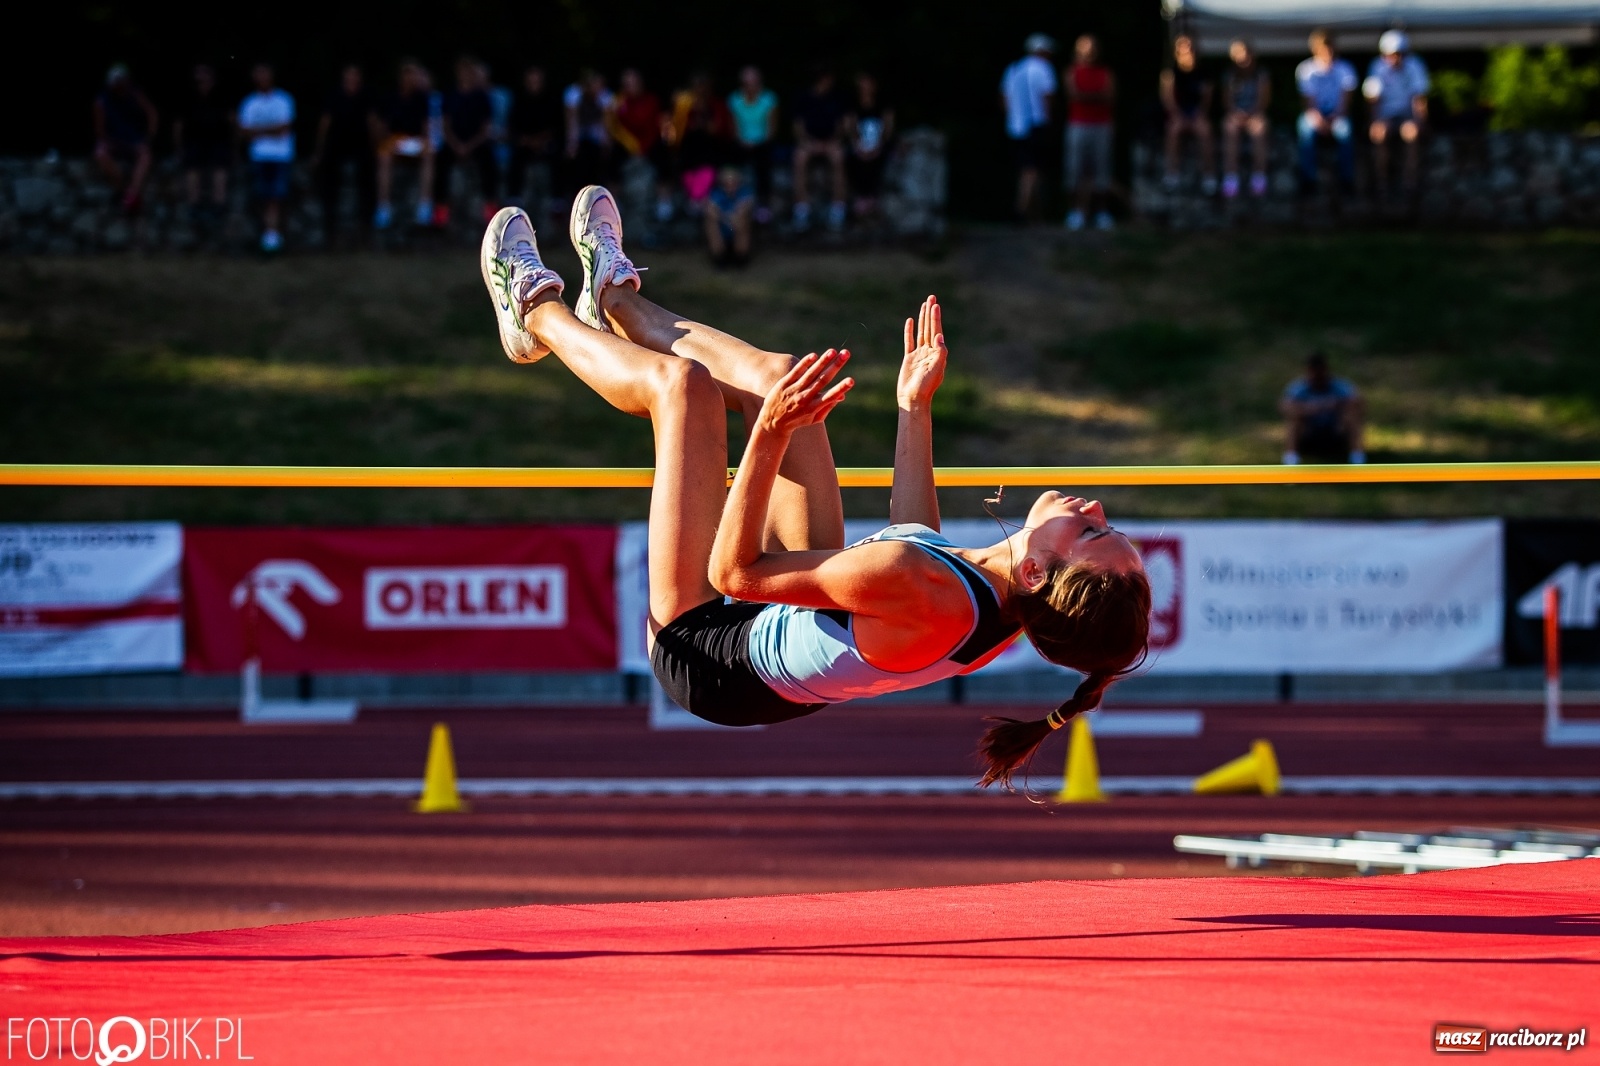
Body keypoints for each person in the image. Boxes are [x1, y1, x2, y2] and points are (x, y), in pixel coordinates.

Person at [477, 187, 1152, 788]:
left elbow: (737, 572)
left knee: (683, 393)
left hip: (706, 650)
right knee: (782, 377)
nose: (1093, 508)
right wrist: (914, 408)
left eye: (1092, 533)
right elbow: (917, 544)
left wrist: (767, 437)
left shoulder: (930, 589)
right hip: (782, 632)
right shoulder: (996, 600)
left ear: (1036, 570)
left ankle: (532, 310)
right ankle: (617, 299)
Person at [311, 64, 377, 245]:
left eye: (355, 76)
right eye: (349, 76)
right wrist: (319, 151)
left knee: (368, 180)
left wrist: (375, 147)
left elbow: (371, 122)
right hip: (337, 145)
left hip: (360, 146)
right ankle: (329, 229)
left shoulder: (365, 96)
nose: (352, 80)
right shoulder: (334, 96)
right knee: (329, 181)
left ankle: (366, 227)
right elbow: (325, 124)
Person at [1365, 30, 1430, 199]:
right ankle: (1382, 183)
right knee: (1380, 133)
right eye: (1392, 54)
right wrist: (1374, 122)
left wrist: (1421, 122)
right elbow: (1373, 100)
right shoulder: (1377, 68)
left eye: (1399, 54)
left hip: (1407, 116)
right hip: (1385, 117)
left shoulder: (1415, 66)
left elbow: (1419, 99)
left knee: (1412, 133)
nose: (1395, 59)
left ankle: (1410, 183)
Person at [238, 63, 296, 253]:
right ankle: (268, 236)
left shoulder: (283, 100)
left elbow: (283, 129)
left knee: (277, 197)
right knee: (262, 197)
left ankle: (273, 236)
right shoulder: (249, 103)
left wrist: (258, 131)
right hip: (258, 157)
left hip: (280, 156)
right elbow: (244, 132)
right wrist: (270, 130)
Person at [999, 34, 1057, 222]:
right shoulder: (1043, 68)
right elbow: (1047, 97)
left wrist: (1012, 117)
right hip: (1036, 124)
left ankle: (1032, 212)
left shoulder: (1014, 68)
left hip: (1015, 126)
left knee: (1025, 167)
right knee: (1033, 169)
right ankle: (1023, 209)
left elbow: (1005, 99)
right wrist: (1049, 121)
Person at [436, 56, 499, 226]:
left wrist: (469, 146)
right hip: (454, 143)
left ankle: (489, 206)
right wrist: (456, 145)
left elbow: (485, 128)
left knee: (488, 161)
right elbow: (446, 125)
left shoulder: (482, 97)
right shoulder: (450, 95)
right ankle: (440, 210)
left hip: (476, 143)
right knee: (440, 161)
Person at [375, 60, 437, 229]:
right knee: (384, 155)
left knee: (429, 153)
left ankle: (424, 207)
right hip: (395, 140)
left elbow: (425, 126)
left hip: (414, 141)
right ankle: (384, 207)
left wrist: (424, 140)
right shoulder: (390, 97)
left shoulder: (421, 97)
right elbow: (383, 126)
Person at [1063, 34, 1116, 231]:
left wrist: (1086, 96)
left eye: (1092, 46)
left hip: (1102, 125)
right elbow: (1073, 94)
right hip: (1078, 124)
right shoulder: (1071, 72)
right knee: (1075, 169)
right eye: (1084, 47)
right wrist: (1096, 96)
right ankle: (1076, 212)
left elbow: (1109, 96)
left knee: (1102, 169)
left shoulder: (1105, 72)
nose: (1089, 51)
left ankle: (1102, 212)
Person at [1295, 29, 1357, 194]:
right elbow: (1309, 102)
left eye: (1329, 47)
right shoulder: (1306, 69)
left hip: (1338, 114)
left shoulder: (1345, 69)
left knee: (1345, 132)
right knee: (1306, 132)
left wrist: (1334, 118)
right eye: (1323, 48)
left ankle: (1347, 180)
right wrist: (1319, 120)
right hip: (1315, 114)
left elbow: (1346, 101)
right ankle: (1308, 180)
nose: (1327, 52)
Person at [173, 63, 233, 230]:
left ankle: (218, 207)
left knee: (220, 170)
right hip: (194, 141)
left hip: (218, 141)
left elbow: (232, 120)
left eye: (206, 77)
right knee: (192, 169)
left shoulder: (222, 96)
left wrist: (235, 145)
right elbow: (179, 124)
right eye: (199, 78)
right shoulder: (188, 96)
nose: (202, 81)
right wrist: (179, 146)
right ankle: (194, 207)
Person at [92, 64, 158, 213]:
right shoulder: (101, 100)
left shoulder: (135, 94)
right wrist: (106, 141)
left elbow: (152, 113)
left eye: (122, 81)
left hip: (134, 139)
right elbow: (99, 128)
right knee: (100, 153)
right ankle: (124, 189)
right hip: (114, 140)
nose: (119, 85)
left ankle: (131, 195)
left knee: (145, 155)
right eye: (116, 82)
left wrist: (149, 137)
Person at [610, 68, 673, 223]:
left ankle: (664, 201)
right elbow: (616, 128)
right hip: (626, 145)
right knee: (611, 156)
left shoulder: (652, 100)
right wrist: (631, 146)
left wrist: (642, 148)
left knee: (663, 153)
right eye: (627, 84)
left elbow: (653, 128)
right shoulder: (617, 102)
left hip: (649, 144)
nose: (630, 87)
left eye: (633, 83)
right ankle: (614, 201)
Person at [1281, 353, 1365, 464]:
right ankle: (1291, 459)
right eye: (1313, 372)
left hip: (1336, 430)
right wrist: (1311, 409)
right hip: (1309, 432)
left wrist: (1338, 406)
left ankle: (1357, 458)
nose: (1317, 376)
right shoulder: (1299, 388)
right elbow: (1285, 406)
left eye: (1320, 372)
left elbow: (1358, 403)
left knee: (1352, 415)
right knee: (1294, 419)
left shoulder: (1339, 386)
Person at [791, 67, 848, 231]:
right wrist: (808, 142)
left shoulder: (836, 98)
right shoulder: (803, 97)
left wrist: (832, 141)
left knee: (839, 158)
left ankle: (838, 209)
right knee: (799, 159)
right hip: (809, 143)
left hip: (831, 142)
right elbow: (798, 127)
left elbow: (841, 125)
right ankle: (801, 210)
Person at [668, 72, 732, 214]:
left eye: (703, 86)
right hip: (688, 153)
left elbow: (719, 130)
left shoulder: (717, 105)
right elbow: (676, 131)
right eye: (696, 86)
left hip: (711, 151)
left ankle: (697, 200)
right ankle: (694, 199)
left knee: (707, 168)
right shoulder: (684, 105)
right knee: (683, 166)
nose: (699, 90)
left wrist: (703, 123)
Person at [1160, 34, 1214, 195]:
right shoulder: (1170, 73)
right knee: (1173, 130)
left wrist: (1198, 114)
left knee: (1205, 132)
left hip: (1196, 113)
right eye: (1182, 47)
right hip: (1179, 114)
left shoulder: (1203, 72)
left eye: (1189, 46)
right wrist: (1178, 115)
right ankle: (1172, 174)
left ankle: (1208, 176)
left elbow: (1206, 99)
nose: (1186, 50)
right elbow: (1167, 98)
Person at [506, 65, 562, 219]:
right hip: (525, 144)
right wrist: (527, 140)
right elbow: (513, 127)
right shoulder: (519, 100)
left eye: (537, 80)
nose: (534, 83)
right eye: (531, 80)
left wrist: (540, 140)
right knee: (516, 157)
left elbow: (557, 126)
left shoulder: (551, 100)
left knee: (558, 156)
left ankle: (558, 201)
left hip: (546, 143)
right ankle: (514, 197)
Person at [728, 66, 779, 223]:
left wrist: (757, 142)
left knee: (763, 160)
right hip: (741, 142)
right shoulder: (734, 99)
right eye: (749, 83)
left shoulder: (769, 99)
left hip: (763, 142)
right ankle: (732, 199)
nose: (753, 86)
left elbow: (772, 129)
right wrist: (743, 141)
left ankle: (763, 204)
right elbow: (733, 127)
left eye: (756, 82)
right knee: (731, 156)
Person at [1220, 39, 1271, 199]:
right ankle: (1231, 177)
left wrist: (1252, 114)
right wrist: (1237, 114)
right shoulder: (1229, 76)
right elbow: (1227, 102)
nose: (1244, 58)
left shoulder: (1261, 75)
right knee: (1230, 129)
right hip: (1236, 115)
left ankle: (1259, 176)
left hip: (1255, 114)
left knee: (1259, 129)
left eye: (1246, 54)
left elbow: (1264, 101)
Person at [844, 72, 894, 222]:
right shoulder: (853, 103)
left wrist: (878, 146)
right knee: (855, 159)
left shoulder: (884, 102)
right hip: (859, 146)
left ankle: (872, 198)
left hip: (878, 145)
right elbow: (850, 128)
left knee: (879, 160)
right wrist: (859, 146)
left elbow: (888, 128)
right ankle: (861, 198)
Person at [564, 69, 614, 197]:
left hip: (596, 138)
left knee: (599, 159)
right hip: (580, 137)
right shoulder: (573, 94)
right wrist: (572, 144)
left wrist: (606, 144)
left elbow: (606, 124)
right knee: (576, 159)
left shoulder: (605, 95)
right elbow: (571, 122)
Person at [704, 165, 755, 266]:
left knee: (742, 218)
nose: (730, 185)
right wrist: (726, 218)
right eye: (727, 182)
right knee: (710, 219)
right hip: (723, 228)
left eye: (733, 182)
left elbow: (744, 207)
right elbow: (710, 208)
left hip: (737, 228)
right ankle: (719, 256)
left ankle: (740, 255)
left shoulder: (745, 192)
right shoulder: (716, 193)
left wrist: (729, 217)